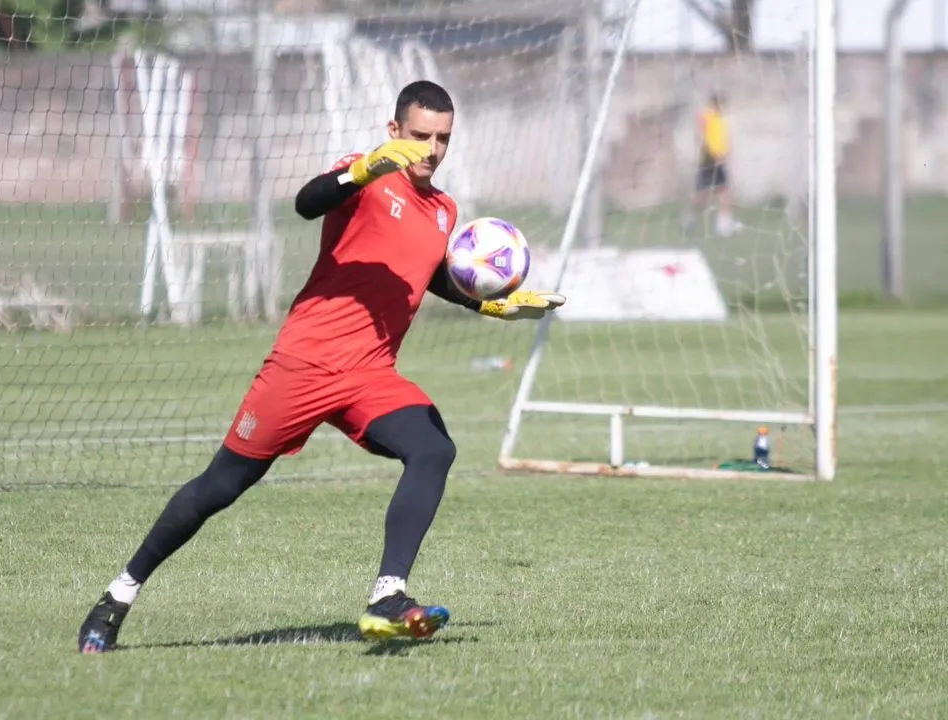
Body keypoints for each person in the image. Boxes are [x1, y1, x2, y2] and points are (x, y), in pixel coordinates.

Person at [77, 80, 566, 654]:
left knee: (434, 448)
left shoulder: (444, 210)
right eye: (419, 136)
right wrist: (363, 169)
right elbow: (307, 202)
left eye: (442, 139)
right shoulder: (364, 176)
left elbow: (430, 271)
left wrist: (489, 301)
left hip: (369, 374)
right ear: (393, 132)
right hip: (303, 365)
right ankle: (119, 594)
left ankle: (388, 595)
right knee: (221, 485)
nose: (431, 150)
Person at [683, 92, 742, 238]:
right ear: (716, 103)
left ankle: (722, 225)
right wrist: (713, 155)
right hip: (709, 160)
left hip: (719, 160)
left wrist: (727, 152)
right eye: (722, 104)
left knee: (726, 192)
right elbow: (702, 137)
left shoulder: (721, 119)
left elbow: (723, 138)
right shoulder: (706, 116)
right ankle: (689, 217)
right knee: (703, 195)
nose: (724, 107)